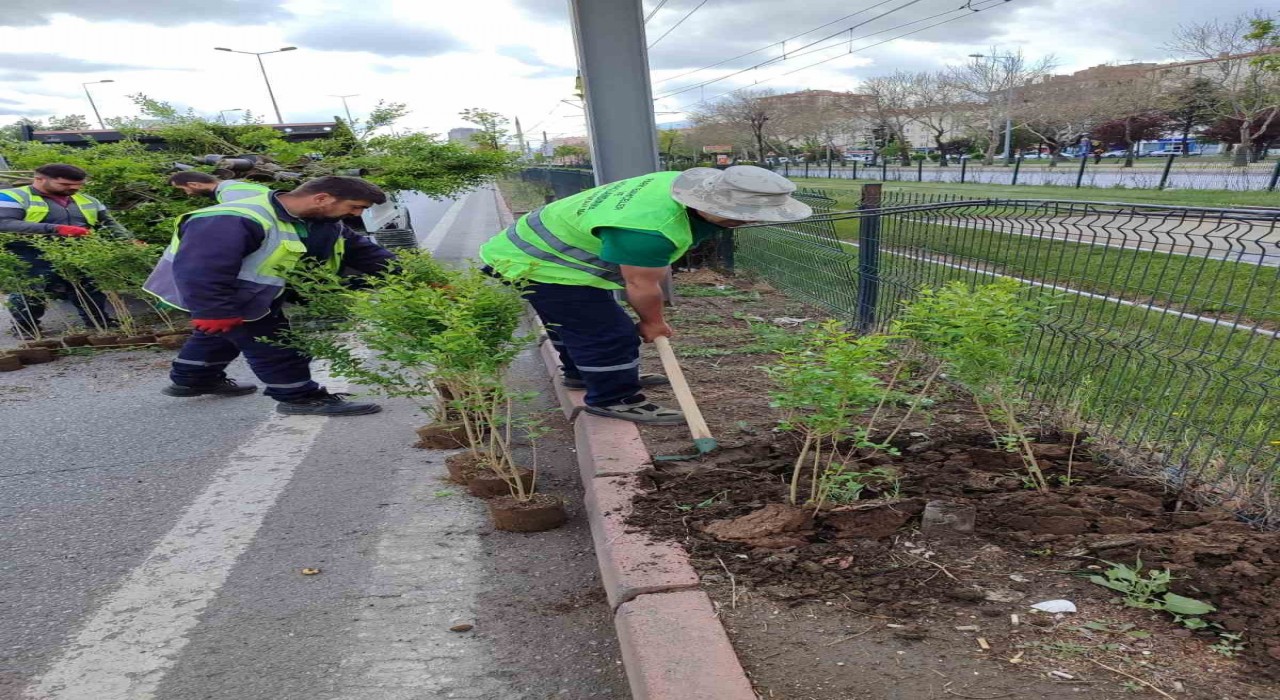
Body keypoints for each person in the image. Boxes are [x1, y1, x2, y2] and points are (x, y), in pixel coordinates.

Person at [478, 165, 811, 425]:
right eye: (747, 217)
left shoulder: (676, 184)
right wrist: (653, 323)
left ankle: (583, 375)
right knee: (610, 332)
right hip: (542, 262)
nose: (751, 223)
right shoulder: (649, 231)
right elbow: (640, 285)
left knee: (575, 324)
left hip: (523, 249)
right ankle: (613, 397)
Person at [143, 176, 396, 416]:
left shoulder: (324, 223)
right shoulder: (234, 219)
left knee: (222, 336)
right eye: (355, 207)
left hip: (254, 290)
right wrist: (213, 311)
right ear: (322, 198)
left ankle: (192, 379)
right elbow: (201, 268)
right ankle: (299, 397)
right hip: (213, 292)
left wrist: (412, 276)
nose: (358, 214)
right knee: (273, 342)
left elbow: (365, 253)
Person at [0, 163, 129, 337]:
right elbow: (5, 223)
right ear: (40, 179)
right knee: (32, 289)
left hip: (78, 250)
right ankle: (25, 327)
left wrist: (129, 240)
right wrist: (55, 229)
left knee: (88, 286)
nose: (73, 188)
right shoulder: (13, 196)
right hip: (29, 251)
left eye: (78, 185)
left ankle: (99, 322)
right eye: (65, 185)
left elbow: (109, 223)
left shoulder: (88, 200)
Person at [169, 171, 272, 203]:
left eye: (183, 189)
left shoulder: (229, 195)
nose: (188, 193)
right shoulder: (235, 187)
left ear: (194, 185)